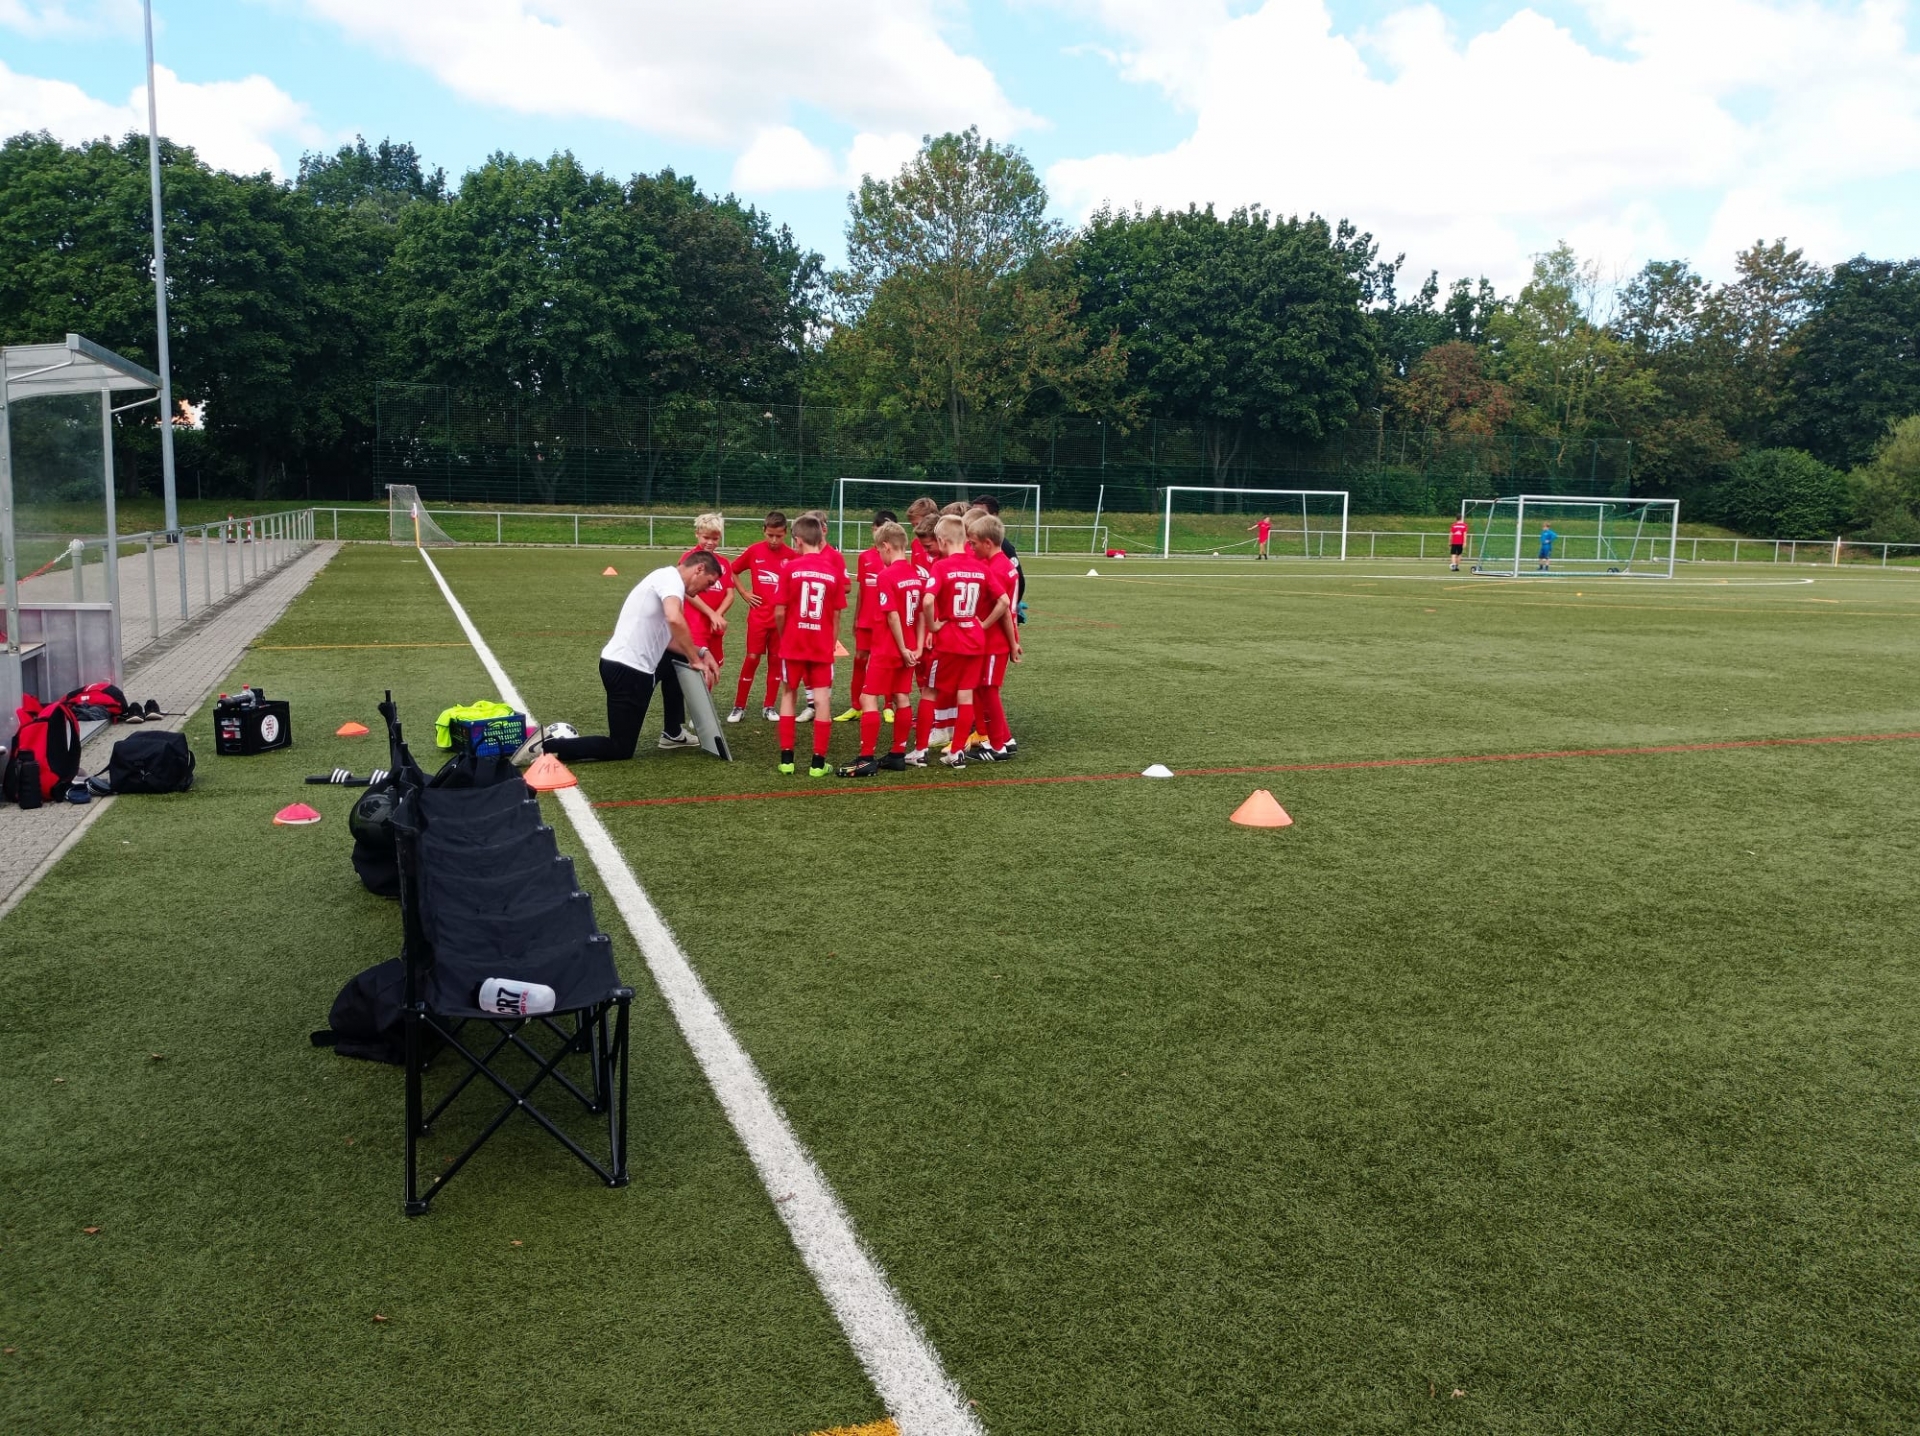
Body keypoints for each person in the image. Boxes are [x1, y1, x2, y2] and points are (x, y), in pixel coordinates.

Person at [523, 551, 723, 765]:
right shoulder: (671, 580)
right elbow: (674, 618)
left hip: (622, 666)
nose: (707, 589)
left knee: (675, 662)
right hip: (628, 672)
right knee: (620, 748)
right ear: (699, 569)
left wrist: (702, 652)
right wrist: (695, 661)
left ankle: (673, 733)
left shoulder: (667, 578)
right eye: (709, 582)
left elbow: (667, 641)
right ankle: (545, 746)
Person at [910, 513, 1009, 769]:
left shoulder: (941, 566)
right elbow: (1004, 601)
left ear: (942, 541)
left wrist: (933, 625)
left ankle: (920, 750)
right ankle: (956, 753)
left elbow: (928, 600)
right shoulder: (981, 567)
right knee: (965, 696)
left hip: (949, 639)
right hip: (975, 640)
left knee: (930, 691)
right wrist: (982, 624)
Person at [838, 521, 920, 777]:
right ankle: (897, 754)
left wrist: (901, 647)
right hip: (910, 647)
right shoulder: (916, 574)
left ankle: (866, 758)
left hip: (888, 647)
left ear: (886, 546)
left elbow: (892, 615)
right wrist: (914, 647)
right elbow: (922, 614)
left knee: (868, 697)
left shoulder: (886, 575)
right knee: (901, 696)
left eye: (879, 550)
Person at [772, 514, 844, 777]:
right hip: (821, 644)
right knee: (822, 698)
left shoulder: (790, 568)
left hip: (794, 642)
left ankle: (787, 761)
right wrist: (831, 642)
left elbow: (780, 611)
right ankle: (817, 763)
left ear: (798, 540)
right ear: (820, 537)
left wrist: (785, 635)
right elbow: (836, 614)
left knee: (788, 694)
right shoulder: (833, 571)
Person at [965, 511, 1022, 762]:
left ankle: (998, 747)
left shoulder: (996, 569)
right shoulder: (999, 565)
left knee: (989, 690)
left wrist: (1009, 641)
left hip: (993, 642)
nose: (971, 548)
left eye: (973, 543)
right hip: (993, 640)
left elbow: (1004, 609)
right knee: (982, 689)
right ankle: (1004, 738)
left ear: (987, 543)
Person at [726, 511, 793, 722]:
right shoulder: (754, 551)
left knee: (775, 660)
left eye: (778, 536)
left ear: (785, 533)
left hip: (780, 620)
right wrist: (744, 592)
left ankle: (769, 707)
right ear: (764, 530)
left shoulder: (792, 556)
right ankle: (739, 706)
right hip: (758, 618)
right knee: (752, 658)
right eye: (770, 535)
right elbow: (732, 570)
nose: (774, 540)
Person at [837, 510, 894, 722]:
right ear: (873, 529)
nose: (881, 533)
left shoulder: (895, 558)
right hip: (866, 620)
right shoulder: (865, 557)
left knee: (886, 663)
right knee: (860, 659)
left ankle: (888, 706)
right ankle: (856, 706)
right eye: (878, 529)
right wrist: (856, 618)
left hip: (886, 621)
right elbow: (862, 589)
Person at [682, 511, 734, 667]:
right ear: (697, 534)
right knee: (698, 667)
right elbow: (686, 591)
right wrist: (711, 614)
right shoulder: (689, 559)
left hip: (715, 626)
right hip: (695, 624)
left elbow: (730, 594)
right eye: (706, 537)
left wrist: (717, 615)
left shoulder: (724, 563)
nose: (710, 542)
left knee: (714, 667)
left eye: (715, 538)